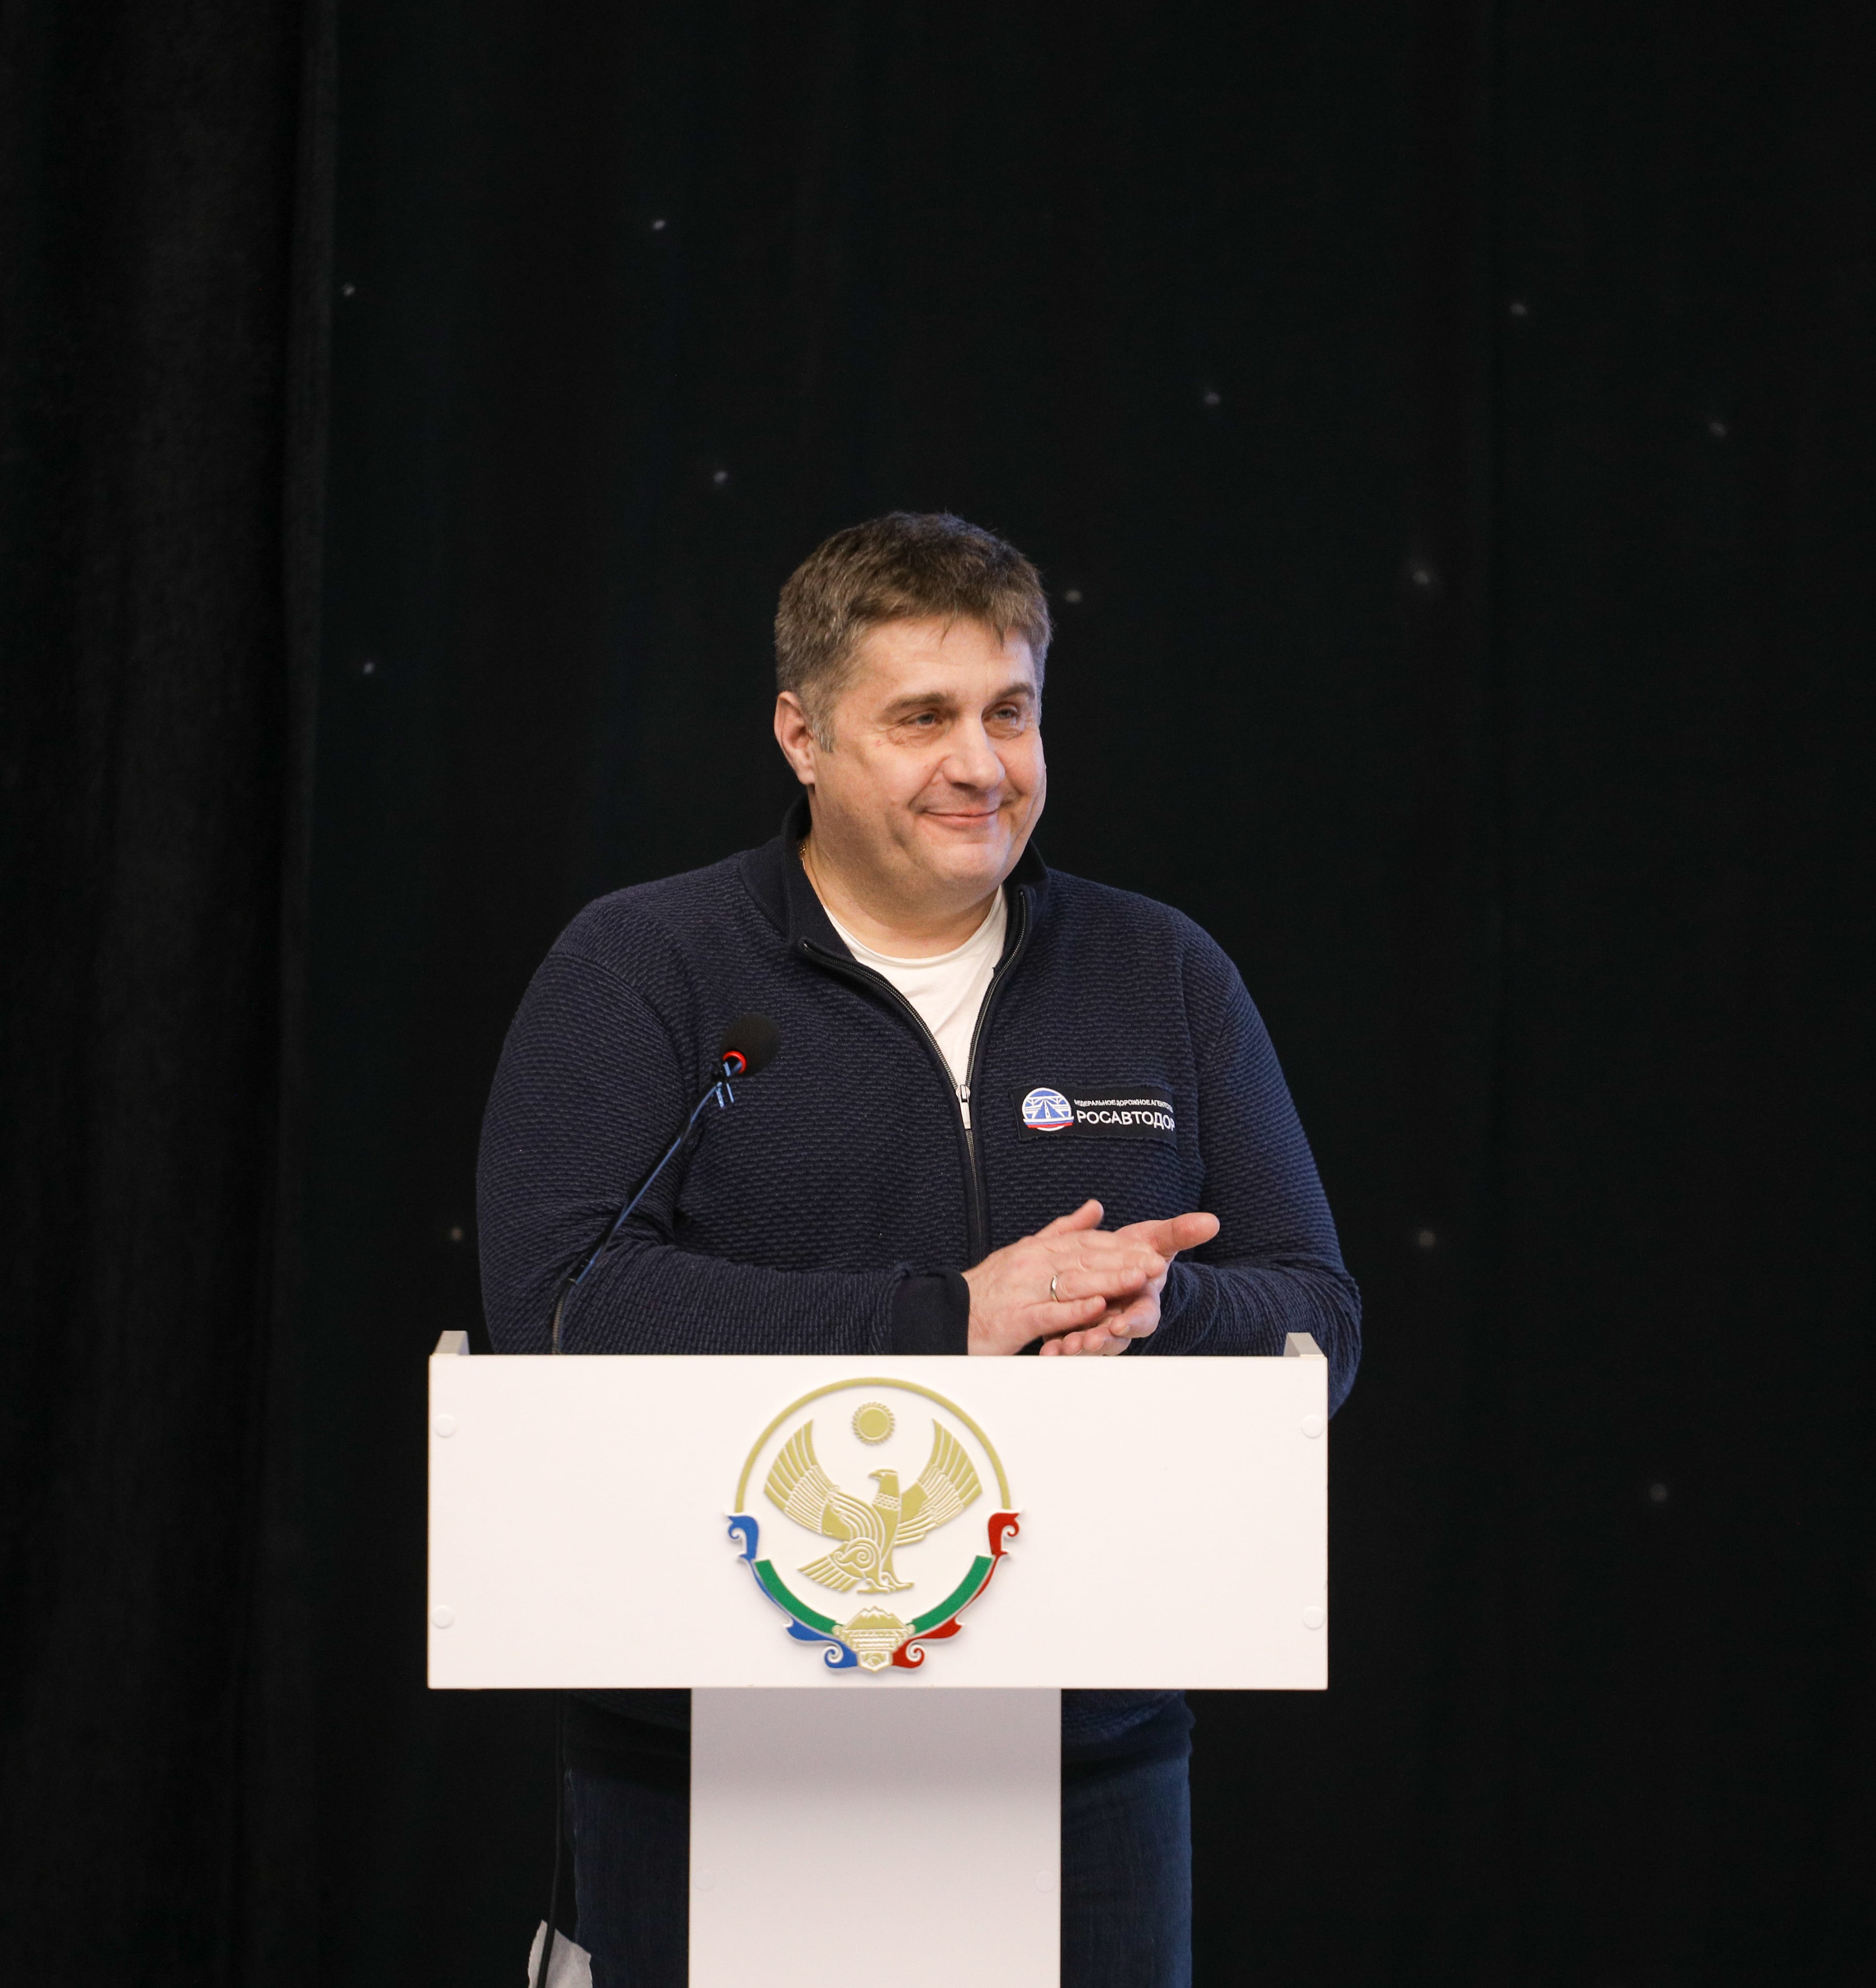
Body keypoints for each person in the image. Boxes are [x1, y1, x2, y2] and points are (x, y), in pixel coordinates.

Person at [477, 511, 1361, 1988]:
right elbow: (561, 1307)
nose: (981, 765)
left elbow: (1320, 1323)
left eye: (1010, 712)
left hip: (1088, 1757)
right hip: (704, 1753)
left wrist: (1161, 1309)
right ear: (802, 735)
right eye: (923, 718)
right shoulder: (645, 967)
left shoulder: (1161, 972)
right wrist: (952, 1317)